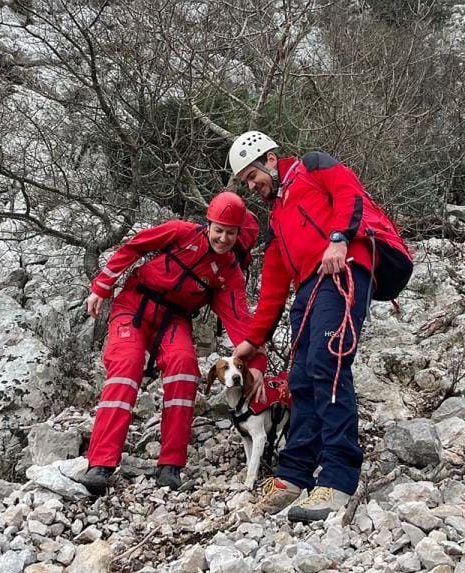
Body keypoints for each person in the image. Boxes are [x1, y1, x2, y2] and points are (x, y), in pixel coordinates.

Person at [229, 131, 412, 522]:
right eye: (245, 182)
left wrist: (338, 238)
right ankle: (293, 476)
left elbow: (349, 190)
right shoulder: (277, 218)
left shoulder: (311, 166)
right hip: (310, 286)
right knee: (300, 378)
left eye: (250, 176)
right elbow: (274, 286)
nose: (251, 186)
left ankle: (338, 478)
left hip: (344, 268)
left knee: (328, 365)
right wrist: (253, 340)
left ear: (269, 159)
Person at [79, 191, 267, 495]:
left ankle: (170, 466)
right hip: (134, 305)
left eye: (230, 233)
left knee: (185, 368)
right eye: (218, 230)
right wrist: (102, 286)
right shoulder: (181, 233)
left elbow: (241, 323)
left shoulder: (229, 275)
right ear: (208, 224)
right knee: (126, 367)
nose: (223, 239)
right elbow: (135, 246)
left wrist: (257, 364)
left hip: (174, 318)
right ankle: (100, 464)